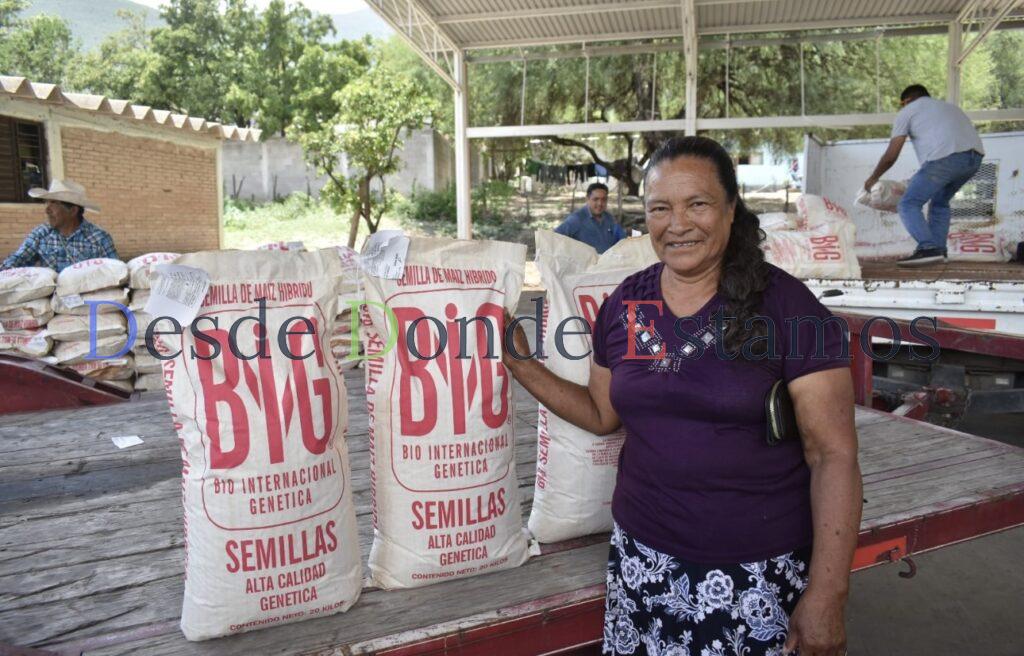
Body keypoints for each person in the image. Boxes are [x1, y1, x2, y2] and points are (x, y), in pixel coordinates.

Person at [504, 136, 861, 656]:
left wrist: (829, 594)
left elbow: (834, 455)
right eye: (660, 208)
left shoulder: (786, 307)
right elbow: (604, 414)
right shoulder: (626, 304)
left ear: (731, 209)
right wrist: (520, 363)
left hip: (752, 575)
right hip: (641, 562)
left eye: (697, 204)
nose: (678, 224)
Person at [863, 84, 984, 266]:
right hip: (974, 159)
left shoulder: (908, 111)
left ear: (907, 101)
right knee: (940, 203)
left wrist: (873, 177)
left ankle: (928, 248)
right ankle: (939, 251)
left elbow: (891, 155)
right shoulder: (950, 108)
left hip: (945, 159)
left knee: (908, 203)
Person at [1, 179, 116, 272]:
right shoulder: (41, 234)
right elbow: (18, 258)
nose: (47, 210)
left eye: (54, 203)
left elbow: (115, 271)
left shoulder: (99, 238)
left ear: (73, 211)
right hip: (51, 297)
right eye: (47, 203)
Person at [556, 182, 627, 254]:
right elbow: (555, 238)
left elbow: (622, 239)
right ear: (587, 199)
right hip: (585, 264)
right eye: (596, 199)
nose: (600, 203)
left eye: (603, 199)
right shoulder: (576, 219)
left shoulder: (610, 219)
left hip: (608, 262)